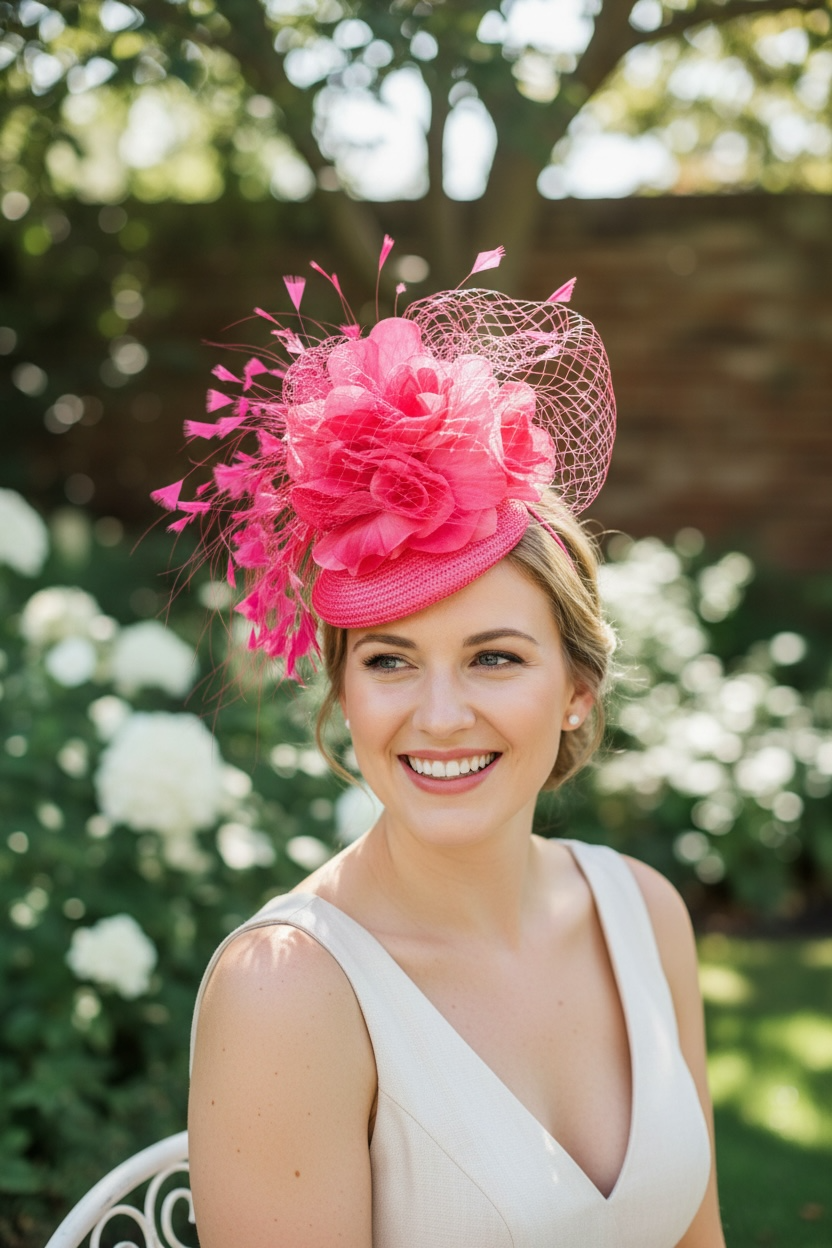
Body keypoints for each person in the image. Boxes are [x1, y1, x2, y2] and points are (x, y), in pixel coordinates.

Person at [155, 245, 726, 1247]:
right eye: (389, 662)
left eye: (495, 659)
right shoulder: (290, 988)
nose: (441, 714)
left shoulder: (643, 912)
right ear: (342, 690)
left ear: (576, 695)